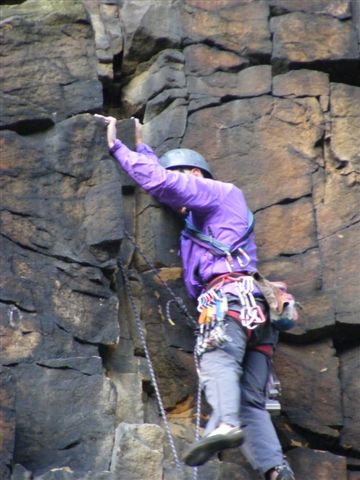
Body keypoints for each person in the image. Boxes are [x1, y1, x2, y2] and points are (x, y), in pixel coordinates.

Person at [94, 114, 296, 480]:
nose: (177, 203)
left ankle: (223, 424)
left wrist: (117, 147)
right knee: (251, 402)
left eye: (184, 181)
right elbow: (168, 182)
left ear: (196, 175)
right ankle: (276, 471)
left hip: (231, 303)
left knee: (216, 359)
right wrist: (142, 146)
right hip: (257, 317)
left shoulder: (222, 193)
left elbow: (163, 183)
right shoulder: (203, 221)